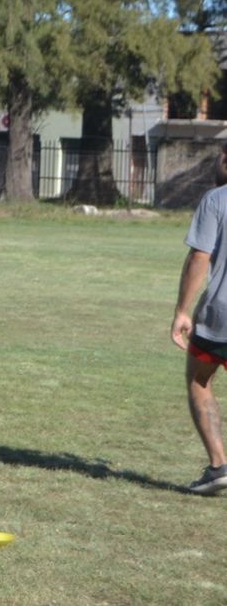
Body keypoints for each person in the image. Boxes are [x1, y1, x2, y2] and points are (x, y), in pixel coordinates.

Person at [170, 147, 227, 495]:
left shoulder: (216, 200)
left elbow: (199, 256)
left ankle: (220, 465)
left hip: (220, 318)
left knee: (199, 380)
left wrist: (182, 309)